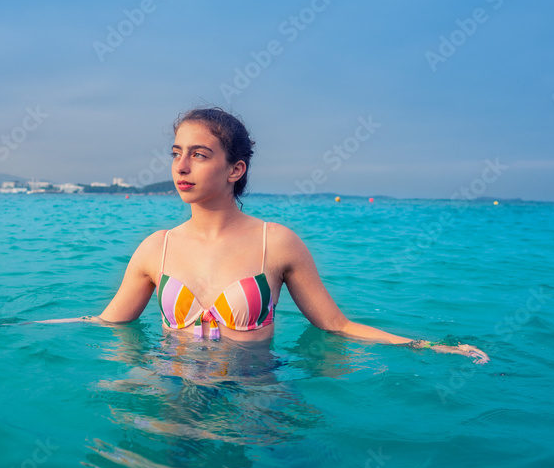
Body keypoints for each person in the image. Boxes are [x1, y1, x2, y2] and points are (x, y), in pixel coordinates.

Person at [92, 107, 489, 364]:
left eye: (199, 154)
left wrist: (425, 346)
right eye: (176, 153)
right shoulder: (156, 248)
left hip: (252, 390)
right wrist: (31, 328)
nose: (181, 166)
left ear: (235, 170)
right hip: (173, 387)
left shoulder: (276, 243)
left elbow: (336, 325)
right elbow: (108, 324)